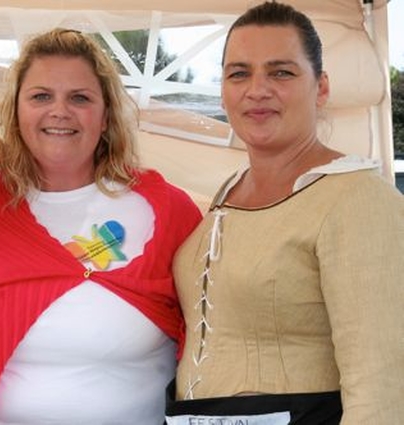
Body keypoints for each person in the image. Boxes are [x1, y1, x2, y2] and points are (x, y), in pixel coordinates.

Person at [0, 28, 203, 424]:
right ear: (16, 111)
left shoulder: (167, 210)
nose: (59, 111)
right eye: (41, 96)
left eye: (80, 98)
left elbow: (213, 329)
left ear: (106, 115)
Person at [167, 2, 404, 424]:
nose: (257, 89)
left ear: (322, 87)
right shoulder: (228, 191)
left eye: (281, 72)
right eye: (239, 73)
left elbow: (381, 390)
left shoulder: (357, 198)